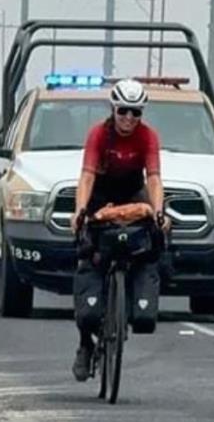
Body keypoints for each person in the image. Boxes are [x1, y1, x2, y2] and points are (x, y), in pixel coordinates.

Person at [69, 78, 168, 381]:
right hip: (102, 191)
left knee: (153, 236)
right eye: (123, 111)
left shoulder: (148, 137)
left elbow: (153, 178)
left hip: (132, 191)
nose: (128, 119)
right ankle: (86, 344)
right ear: (113, 108)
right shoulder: (99, 134)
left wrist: (158, 209)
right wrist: (80, 211)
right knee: (91, 253)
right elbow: (86, 176)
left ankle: (133, 298)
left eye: (135, 113)